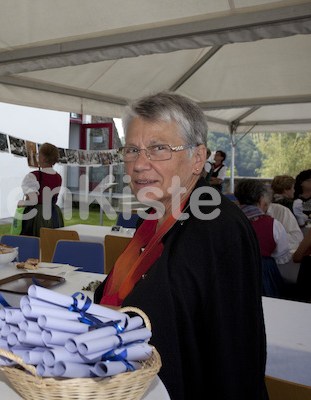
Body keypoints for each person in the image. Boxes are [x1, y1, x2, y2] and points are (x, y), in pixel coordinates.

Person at [94, 92, 268, 400]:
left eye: (158, 148)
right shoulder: (153, 218)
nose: (138, 165)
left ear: (198, 159)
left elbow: (233, 355)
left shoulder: (217, 228)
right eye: (132, 150)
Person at [235, 179, 290, 298]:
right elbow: (282, 255)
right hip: (262, 274)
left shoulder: (226, 221)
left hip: (231, 272)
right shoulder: (273, 224)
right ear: (261, 199)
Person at [17, 142, 64, 237]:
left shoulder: (33, 176)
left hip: (39, 216)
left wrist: (22, 203)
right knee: (51, 242)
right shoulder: (58, 176)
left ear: (43, 158)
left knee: (37, 241)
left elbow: (34, 200)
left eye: (39, 154)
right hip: (54, 213)